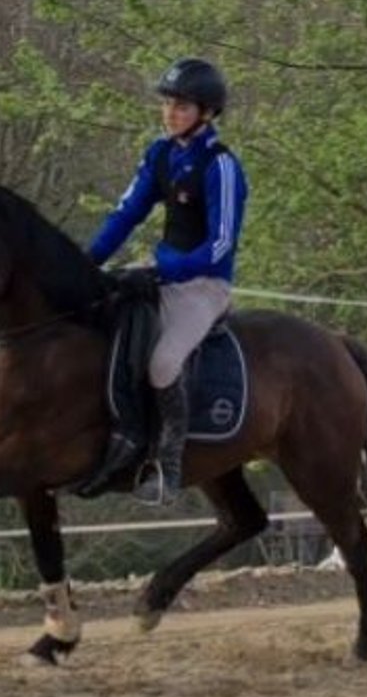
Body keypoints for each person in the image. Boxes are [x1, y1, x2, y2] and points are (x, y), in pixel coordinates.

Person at [87, 58, 248, 505]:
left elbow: (220, 244)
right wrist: (88, 261)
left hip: (203, 285)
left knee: (162, 362)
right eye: (168, 104)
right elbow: (126, 214)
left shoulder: (221, 166)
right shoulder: (160, 154)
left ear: (207, 112)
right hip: (161, 272)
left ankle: (167, 465)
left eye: (181, 106)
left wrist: (165, 270)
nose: (170, 112)